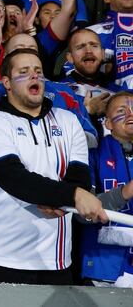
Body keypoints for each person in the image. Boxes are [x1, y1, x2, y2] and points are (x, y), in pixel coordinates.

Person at [0, 48, 107, 284]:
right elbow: (14, 178)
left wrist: (68, 195)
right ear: (7, 83)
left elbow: (79, 177)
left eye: (38, 72)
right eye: (23, 72)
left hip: (56, 259)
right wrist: (72, 195)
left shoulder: (69, 120)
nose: (34, 76)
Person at [80, 92, 133, 287]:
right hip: (103, 266)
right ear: (108, 123)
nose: (130, 114)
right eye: (122, 111)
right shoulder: (91, 157)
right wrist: (124, 193)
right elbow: (81, 216)